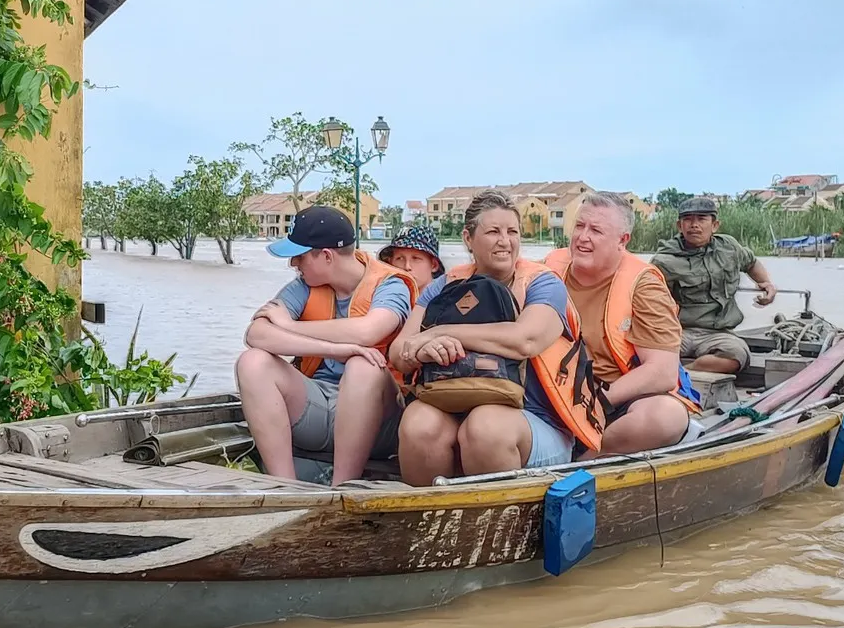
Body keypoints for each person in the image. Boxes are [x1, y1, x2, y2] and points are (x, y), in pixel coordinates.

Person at [389, 190, 602, 480]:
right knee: (417, 423)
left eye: (512, 232)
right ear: (468, 239)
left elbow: (525, 340)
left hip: (535, 422)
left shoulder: (544, 285)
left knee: (484, 427)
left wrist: (441, 331)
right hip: (456, 409)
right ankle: (430, 520)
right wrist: (420, 351)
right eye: (493, 232)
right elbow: (399, 350)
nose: (505, 241)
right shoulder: (444, 287)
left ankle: (495, 523)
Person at [235, 205, 413, 485]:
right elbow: (256, 334)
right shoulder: (305, 285)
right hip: (319, 404)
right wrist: (335, 349)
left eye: (300, 257)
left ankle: (341, 488)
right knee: (252, 362)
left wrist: (291, 327)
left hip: (381, 421)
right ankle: (285, 488)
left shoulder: (390, 285)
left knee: (362, 366)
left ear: (327, 256)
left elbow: (368, 331)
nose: (293, 264)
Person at [544, 193, 702, 454]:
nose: (583, 237)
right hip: (553, 391)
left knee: (663, 417)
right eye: (580, 226)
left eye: (596, 230)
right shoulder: (547, 269)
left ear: (622, 240)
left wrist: (595, 404)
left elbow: (662, 372)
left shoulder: (644, 285)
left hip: (614, 399)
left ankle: (584, 460)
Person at [652, 196, 778, 375]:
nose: (694, 225)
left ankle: (684, 374)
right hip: (678, 331)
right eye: (688, 220)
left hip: (718, 333)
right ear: (679, 226)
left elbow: (751, 262)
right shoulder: (664, 260)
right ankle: (671, 374)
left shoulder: (729, 248)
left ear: (715, 225)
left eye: (701, 219)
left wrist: (765, 283)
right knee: (647, 354)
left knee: (737, 355)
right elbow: (647, 300)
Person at [377, 226, 444, 290]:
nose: (407, 267)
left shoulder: (449, 299)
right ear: (390, 264)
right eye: (400, 258)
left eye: (415, 258)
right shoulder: (379, 298)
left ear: (434, 265)